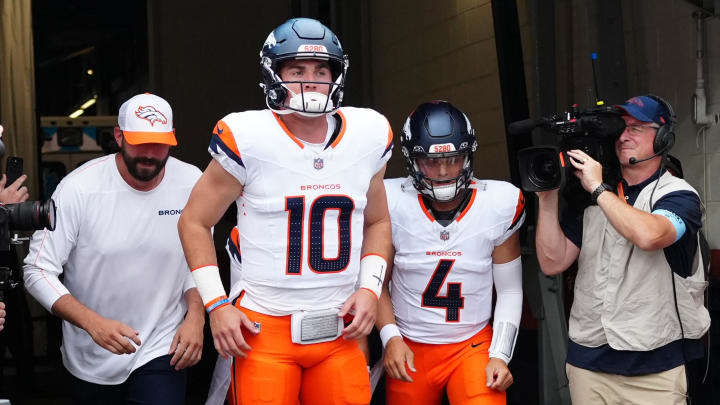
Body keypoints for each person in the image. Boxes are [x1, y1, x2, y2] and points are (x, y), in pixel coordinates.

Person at [178, 17, 393, 405]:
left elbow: (377, 220)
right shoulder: (249, 137)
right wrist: (216, 305)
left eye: (321, 69)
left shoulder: (368, 134)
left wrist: (370, 289)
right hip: (264, 329)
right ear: (272, 74)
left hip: (339, 332)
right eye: (296, 69)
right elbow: (194, 221)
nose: (310, 81)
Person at [23, 93, 204, 405]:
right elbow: (37, 269)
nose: (150, 154)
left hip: (162, 346)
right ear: (119, 136)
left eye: (159, 143)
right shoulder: (78, 188)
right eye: (140, 142)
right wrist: (91, 322)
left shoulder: (192, 182)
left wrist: (196, 318)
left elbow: (199, 262)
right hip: (92, 354)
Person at [535, 95, 710, 404]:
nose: (625, 135)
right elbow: (552, 261)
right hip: (588, 364)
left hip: (656, 370)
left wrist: (598, 189)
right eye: (623, 127)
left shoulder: (680, 195)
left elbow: (650, 235)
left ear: (664, 136)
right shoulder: (590, 199)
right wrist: (547, 197)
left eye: (637, 127)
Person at [376, 101, 525, 405]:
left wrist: (500, 355)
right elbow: (375, 282)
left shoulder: (499, 203)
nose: (443, 171)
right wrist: (390, 338)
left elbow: (510, 290)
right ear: (412, 160)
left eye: (454, 159)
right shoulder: (390, 201)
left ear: (468, 156)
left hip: (471, 345)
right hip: (410, 345)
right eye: (431, 161)